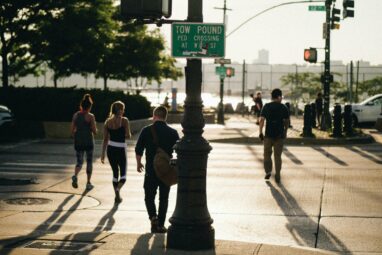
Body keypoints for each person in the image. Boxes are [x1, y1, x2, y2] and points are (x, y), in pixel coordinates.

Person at [135, 106, 179, 233]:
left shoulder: (146, 130)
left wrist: (139, 164)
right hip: (166, 172)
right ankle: (160, 224)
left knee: (149, 196)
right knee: (163, 198)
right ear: (165, 117)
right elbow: (178, 152)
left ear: (154, 116)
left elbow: (139, 150)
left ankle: (153, 217)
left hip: (150, 170)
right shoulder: (173, 132)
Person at [101, 101, 131, 204]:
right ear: (120, 110)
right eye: (123, 109)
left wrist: (102, 154)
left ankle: (116, 196)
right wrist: (123, 133)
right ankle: (118, 189)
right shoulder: (124, 121)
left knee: (115, 173)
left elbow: (105, 139)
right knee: (123, 176)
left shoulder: (107, 122)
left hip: (110, 149)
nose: (124, 111)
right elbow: (128, 135)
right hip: (121, 149)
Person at [259, 89, 290, 183]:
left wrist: (260, 132)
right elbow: (286, 121)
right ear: (279, 97)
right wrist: (285, 131)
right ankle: (277, 174)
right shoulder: (284, 107)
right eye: (281, 97)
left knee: (267, 155)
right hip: (279, 136)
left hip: (268, 135)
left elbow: (262, 120)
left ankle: (268, 171)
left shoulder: (266, 106)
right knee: (277, 156)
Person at [71, 94, 97, 190]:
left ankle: (75, 176)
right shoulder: (90, 116)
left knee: (79, 162)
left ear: (81, 105)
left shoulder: (76, 115)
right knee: (89, 162)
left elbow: (72, 130)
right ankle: (88, 183)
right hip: (89, 142)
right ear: (90, 106)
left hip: (78, 142)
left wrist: (76, 137)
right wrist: (92, 128)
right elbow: (94, 131)